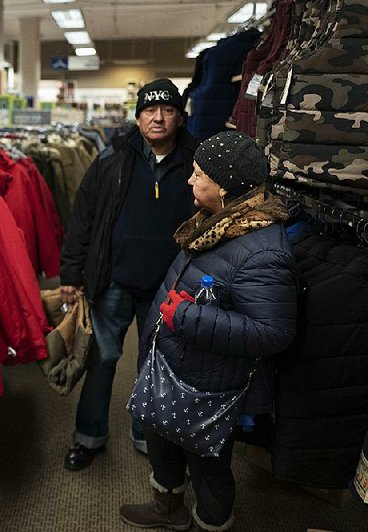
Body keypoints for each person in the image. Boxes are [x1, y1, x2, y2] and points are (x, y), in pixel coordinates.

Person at [119, 132, 297, 531]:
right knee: (163, 443)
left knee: (209, 466)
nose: (189, 180)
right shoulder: (216, 222)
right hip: (174, 366)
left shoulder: (263, 250)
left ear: (224, 185)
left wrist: (183, 317)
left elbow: (272, 331)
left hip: (210, 385)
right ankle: (168, 509)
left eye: (198, 173)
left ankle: (210, 523)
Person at [60, 79, 198, 470]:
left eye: (167, 110)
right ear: (137, 118)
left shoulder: (196, 161)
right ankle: (88, 436)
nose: (158, 118)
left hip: (169, 285)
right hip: (114, 278)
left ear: (179, 117)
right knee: (101, 359)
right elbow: (82, 218)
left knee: (154, 364)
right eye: (150, 111)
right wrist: (71, 271)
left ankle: (146, 435)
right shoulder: (112, 159)